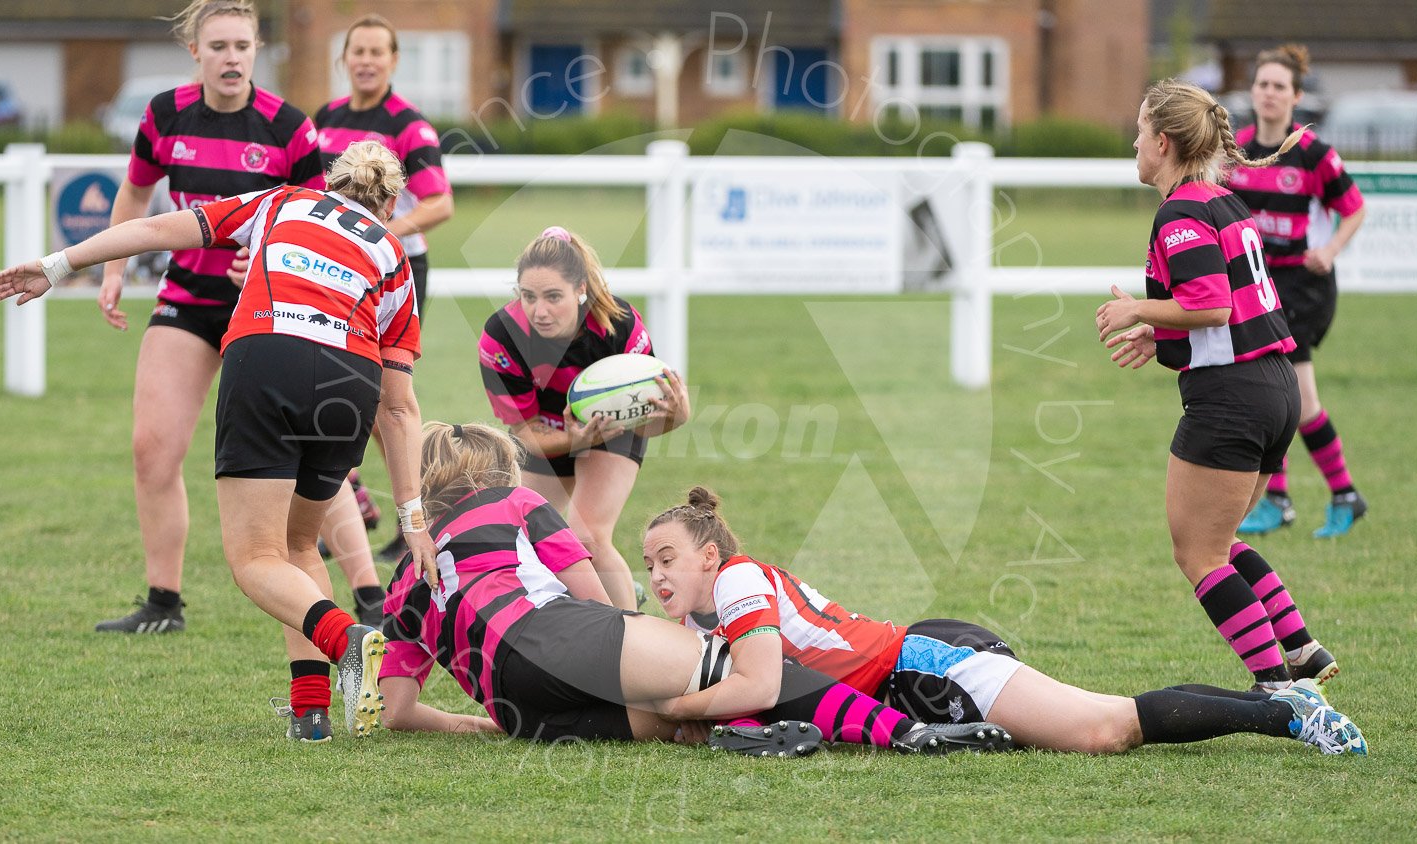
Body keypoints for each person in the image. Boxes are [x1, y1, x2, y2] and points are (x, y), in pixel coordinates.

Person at [0, 141, 437, 743]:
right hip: (347, 379)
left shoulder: (283, 202)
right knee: (300, 544)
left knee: (255, 558)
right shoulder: (393, 255)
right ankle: (311, 714)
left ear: (330, 182)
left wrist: (59, 265)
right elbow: (401, 406)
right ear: (389, 202)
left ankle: (346, 640)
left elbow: (152, 227)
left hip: (268, 354)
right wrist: (412, 516)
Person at [374, 423, 1014, 756]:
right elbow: (592, 599)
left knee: (669, 717)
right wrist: (636, 639)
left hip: (519, 710)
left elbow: (398, 712)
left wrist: (481, 723)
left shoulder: (405, 574)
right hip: (558, 638)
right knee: (733, 669)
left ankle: (736, 732)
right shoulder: (511, 500)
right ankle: (908, 734)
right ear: (498, 469)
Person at [642, 487, 1366, 756]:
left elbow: (760, 682)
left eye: (668, 557)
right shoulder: (712, 619)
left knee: (1103, 729)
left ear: (710, 555)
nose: (657, 576)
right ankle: (1282, 704)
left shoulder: (736, 580)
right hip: (908, 682)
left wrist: (681, 705)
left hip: (922, 665)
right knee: (1100, 727)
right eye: (648, 566)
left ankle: (1288, 715)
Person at [1097, 79, 1342, 691]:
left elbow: (1209, 307)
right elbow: (1226, 312)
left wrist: (1140, 312)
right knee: (1221, 540)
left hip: (1231, 400)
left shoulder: (1180, 211)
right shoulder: (1223, 201)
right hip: (1275, 388)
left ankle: (1281, 694)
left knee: (1199, 554)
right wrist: (1161, 337)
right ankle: (1300, 649)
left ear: (1163, 141)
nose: (1133, 143)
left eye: (1138, 131)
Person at [92, 0, 325, 634]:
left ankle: (347, 585)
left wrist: (266, 263)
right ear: (195, 52)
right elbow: (138, 193)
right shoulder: (165, 114)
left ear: (257, 51)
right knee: (152, 450)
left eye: (242, 46)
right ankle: (163, 603)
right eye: (218, 46)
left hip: (271, 309)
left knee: (315, 458)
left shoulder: (289, 128)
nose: (232, 58)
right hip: (189, 302)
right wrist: (112, 269)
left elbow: (321, 229)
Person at [479, 228, 691, 610]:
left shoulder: (619, 325)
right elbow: (526, 434)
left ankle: (633, 640)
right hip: (548, 431)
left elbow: (650, 420)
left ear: (580, 290)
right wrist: (574, 440)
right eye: (528, 296)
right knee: (518, 538)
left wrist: (677, 416)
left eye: (553, 297)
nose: (539, 310)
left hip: (613, 429)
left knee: (587, 536)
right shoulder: (501, 339)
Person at [314, 13, 456, 572]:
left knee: (385, 405)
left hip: (395, 274)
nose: (367, 60)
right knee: (323, 379)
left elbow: (438, 204)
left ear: (394, 61)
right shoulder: (324, 120)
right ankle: (349, 494)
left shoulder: (409, 126)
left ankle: (416, 516)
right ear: (344, 59)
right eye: (358, 51)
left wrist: (372, 235)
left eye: (378, 52)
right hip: (331, 272)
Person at [1231, 44, 1369, 539]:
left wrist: (1330, 250)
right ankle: (1282, 499)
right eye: (1262, 84)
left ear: (1295, 96)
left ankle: (1342, 494)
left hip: (1303, 288)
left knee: (1299, 400)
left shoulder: (1314, 154)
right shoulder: (1238, 149)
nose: (1268, 93)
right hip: (1258, 288)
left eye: (1278, 86)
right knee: (1274, 394)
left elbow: (1354, 208)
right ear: (1252, 91)